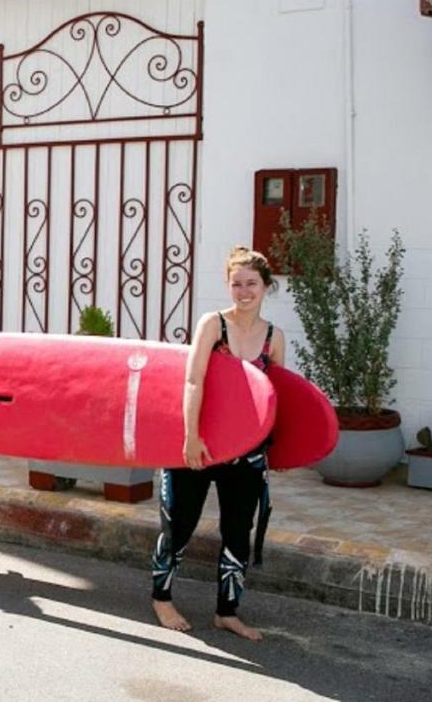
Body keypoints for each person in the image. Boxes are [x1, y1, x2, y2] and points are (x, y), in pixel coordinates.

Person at [150, 246, 285, 642]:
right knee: (179, 525)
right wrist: (191, 436)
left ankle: (227, 611)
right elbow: (193, 381)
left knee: (237, 531)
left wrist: (278, 451)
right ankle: (161, 598)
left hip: (247, 453)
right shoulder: (213, 325)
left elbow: (274, 398)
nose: (243, 291)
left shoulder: (274, 337)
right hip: (201, 444)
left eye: (251, 284)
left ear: (265, 287)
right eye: (236, 283)